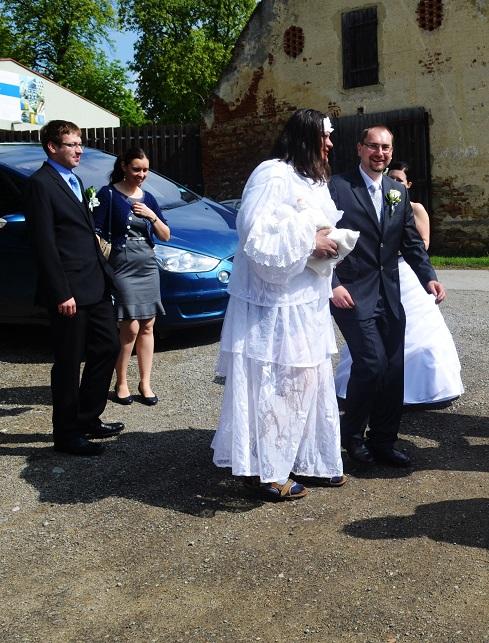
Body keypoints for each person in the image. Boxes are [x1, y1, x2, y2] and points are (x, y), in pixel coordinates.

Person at [211, 109, 347, 500]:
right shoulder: (271, 174)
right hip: (273, 306)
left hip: (307, 302)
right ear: (305, 138)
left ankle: (308, 459)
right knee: (277, 384)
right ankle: (267, 471)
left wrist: (332, 242)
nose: (330, 143)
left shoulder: (314, 179)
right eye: (324, 136)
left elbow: (319, 225)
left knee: (307, 382)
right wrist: (309, 241)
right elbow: (254, 233)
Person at [329, 125, 446, 468]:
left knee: (394, 368)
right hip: (352, 292)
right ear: (360, 148)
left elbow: (411, 242)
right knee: (371, 363)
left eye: (386, 148)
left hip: (390, 294)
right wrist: (332, 283)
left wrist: (429, 277)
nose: (379, 153)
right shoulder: (338, 187)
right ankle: (352, 436)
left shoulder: (397, 191)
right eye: (373, 146)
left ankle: (383, 441)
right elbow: (320, 236)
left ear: (391, 152)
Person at [25, 120, 123, 456]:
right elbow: (44, 243)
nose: (79, 150)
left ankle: (87, 417)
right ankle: (66, 434)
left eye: (80, 144)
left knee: (108, 347)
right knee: (68, 363)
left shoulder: (75, 180)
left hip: (94, 283)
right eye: (72, 144)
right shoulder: (40, 184)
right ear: (52, 147)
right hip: (68, 291)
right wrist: (60, 292)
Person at [335, 161, 463, 406]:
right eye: (391, 177)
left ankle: (420, 390)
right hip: (376, 274)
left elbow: (420, 242)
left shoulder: (415, 208)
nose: (394, 182)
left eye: (399, 180)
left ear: (408, 184)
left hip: (405, 270)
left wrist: (423, 272)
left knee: (417, 332)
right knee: (372, 337)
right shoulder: (373, 202)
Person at [93, 148, 170, 406]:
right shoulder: (108, 194)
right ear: (124, 166)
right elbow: (96, 232)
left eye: (145, 170)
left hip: (147, 265)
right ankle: (121, 381)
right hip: (122, 266)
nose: (141, 174)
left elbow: (165, 235)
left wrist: (151, 215)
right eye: (136, 169)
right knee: (130, 326)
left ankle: (145, 382)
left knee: (148, 325)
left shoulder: (149, 198)